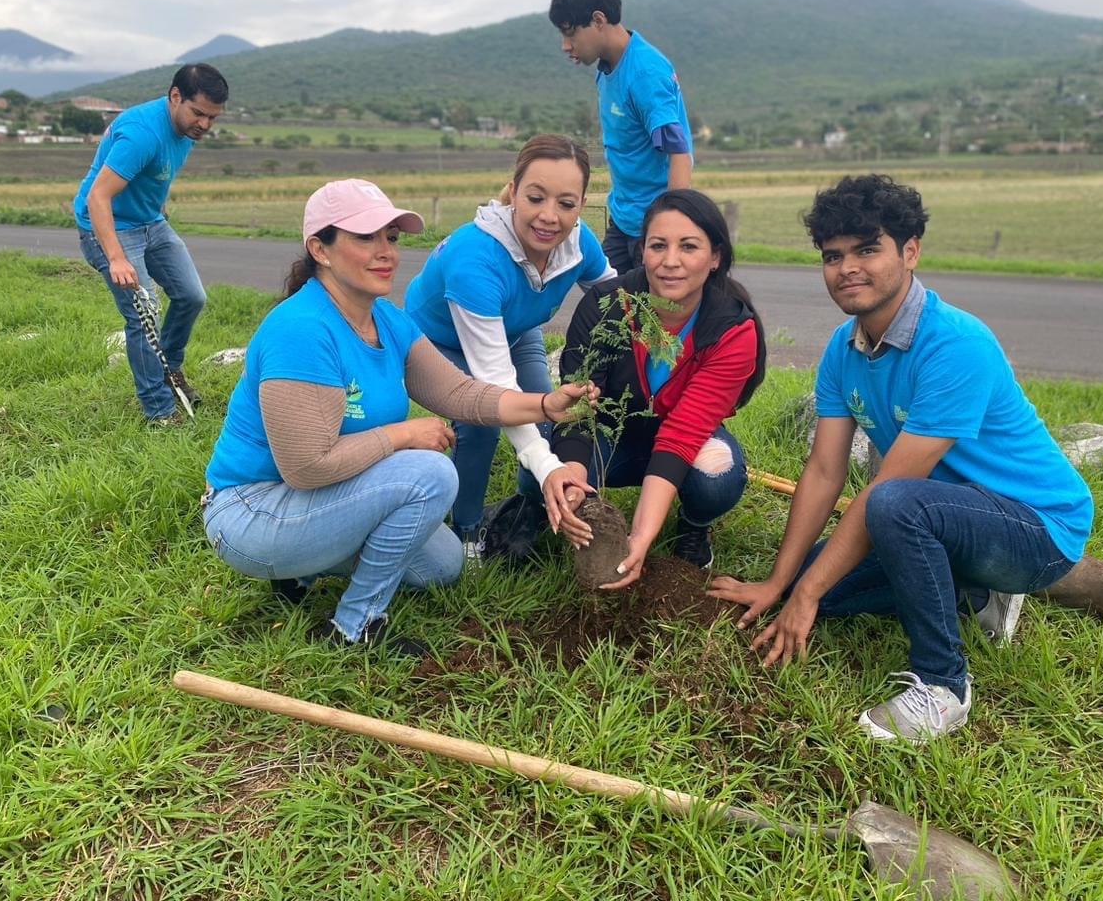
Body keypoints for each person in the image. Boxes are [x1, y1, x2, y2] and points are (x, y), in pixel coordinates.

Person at [709, 174, 1094, 743]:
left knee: (890, 505)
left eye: (868, 250)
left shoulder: (956, 344)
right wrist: (781, 583)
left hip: (1037, 528)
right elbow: (822, 473)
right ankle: (977, 594)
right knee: (812, 585)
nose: (848, 269)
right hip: (948, 514)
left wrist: (807, 592)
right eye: (833, 256)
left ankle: (944, 686)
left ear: (910, 252)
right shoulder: (845, 349)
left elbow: (890, 489)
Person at [202, 179, 594, 656]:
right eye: (365, 238)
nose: (386, 251)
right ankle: (354, 625)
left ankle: (302, 568)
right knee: (429, 473)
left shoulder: (385, 318)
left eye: (391, 237)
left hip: (317, 499)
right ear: (319, 249)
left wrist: (545, 405)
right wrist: (404, 434)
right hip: (253, 513)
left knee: (443, 565)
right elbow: (305, 468)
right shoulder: (302, 328)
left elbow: (460, 393)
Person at [402, 134, 616, 557]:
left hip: (516, 331)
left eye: (567, 204)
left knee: (547, 417)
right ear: (513, 192)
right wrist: (548, 464)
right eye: (535, 198)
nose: (549, 217)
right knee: (481, 424)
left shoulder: (578, 242)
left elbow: (616, 295)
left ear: (582, 205)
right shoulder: (475, 259)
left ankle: (534, 506)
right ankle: (466, 533)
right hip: (438, 341)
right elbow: (496, 388)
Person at [540, 189, 766, 584]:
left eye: (689, 247)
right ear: (642, 251)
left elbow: (682, 434)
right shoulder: (604, 305)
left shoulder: (731, 329)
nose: (671, 262)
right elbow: (578, 408)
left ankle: (694, 524)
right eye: (658, 246)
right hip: (609, 435)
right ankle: (561, 515)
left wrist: (641, 537)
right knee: (541, 474)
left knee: (718, 477)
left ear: (715, 258)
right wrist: (573, 473)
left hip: (683, 440)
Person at [73, 63, 228, 424]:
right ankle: (159, 411)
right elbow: (98, 198)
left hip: (151, 223)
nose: (205, 124)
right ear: (175, 96)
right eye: (199, 113)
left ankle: (169, 370)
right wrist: (117, 258)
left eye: (213, 117)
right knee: (145, 315)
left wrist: (158, 208)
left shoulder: (186, 129)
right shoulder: (142, 132)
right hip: (107, 226)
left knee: (192, 296)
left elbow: (157, 173)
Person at [548, 0, 693, 274]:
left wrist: (670, 228)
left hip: (653, 225)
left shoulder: (644, 73)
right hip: (624, 217)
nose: (565, 45)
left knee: (653, 314)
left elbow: (679, 154)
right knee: (605, 299)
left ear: (598, 20)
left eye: (570, 33)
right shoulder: (607, 67)